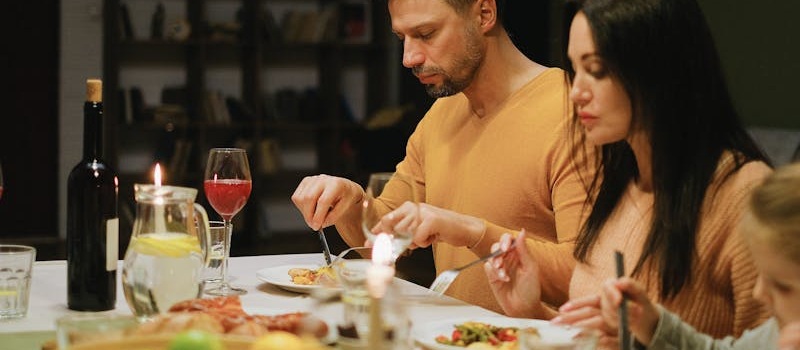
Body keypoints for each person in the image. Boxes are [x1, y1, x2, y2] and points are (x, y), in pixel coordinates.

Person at [484, 0, 772, 340]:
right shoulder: (621, 178)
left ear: (658, 70)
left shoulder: (744, 193)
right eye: (575, 70)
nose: (576, 93)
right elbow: (604, 339)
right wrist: (530, 312)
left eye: (597, 70)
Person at [292, 0, 589, 313]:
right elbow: (381, 240)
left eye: (426, 33)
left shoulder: (575, 112)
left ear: (484, 13)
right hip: (452, 337)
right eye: (401, 38)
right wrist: (350, 203)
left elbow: (588, 276)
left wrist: (472, 232)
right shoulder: (441, 115)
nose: (409, 58)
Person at [598, 163, 800, 349]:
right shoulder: (774, 331)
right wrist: (650, 324)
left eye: (783, 287)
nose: (759, 292)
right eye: (760, 276)